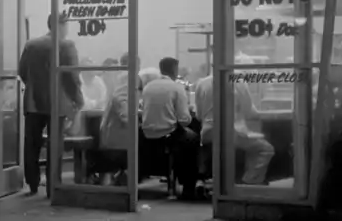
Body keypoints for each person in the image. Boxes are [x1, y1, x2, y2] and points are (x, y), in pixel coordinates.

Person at [18, 13, 84, 196]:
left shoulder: (31, 45)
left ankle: (32, 183)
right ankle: (53, 186)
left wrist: (34, 87)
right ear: (62, 25)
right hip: (57, 102)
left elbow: (22, 71)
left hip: (33, 102)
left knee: (32, 144)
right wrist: (78, 100)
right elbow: (72, 76)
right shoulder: (66, 45)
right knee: (55, 144)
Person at [195, 75, 275, 185]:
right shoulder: (239, 82)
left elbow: (199, 115)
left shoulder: (201, 83)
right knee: (265, 149)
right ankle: (250, 182)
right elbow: (248, 111)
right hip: (232, 133)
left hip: (208, 133)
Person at [142, 57, 200, 199]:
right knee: (194, 139)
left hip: (147, 134)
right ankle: (189, 185)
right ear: (174, 70)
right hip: (169, 134)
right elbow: (184, 120)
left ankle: (172, 175)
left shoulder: (148, 87)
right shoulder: (176, 87)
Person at [99, 67, 160, 185]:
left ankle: (131, 178)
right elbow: (125, 114)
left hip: (121, 136)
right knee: (151, 144)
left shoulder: (134, 89)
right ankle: (130, 179)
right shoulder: (127, 89)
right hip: (117, 140)